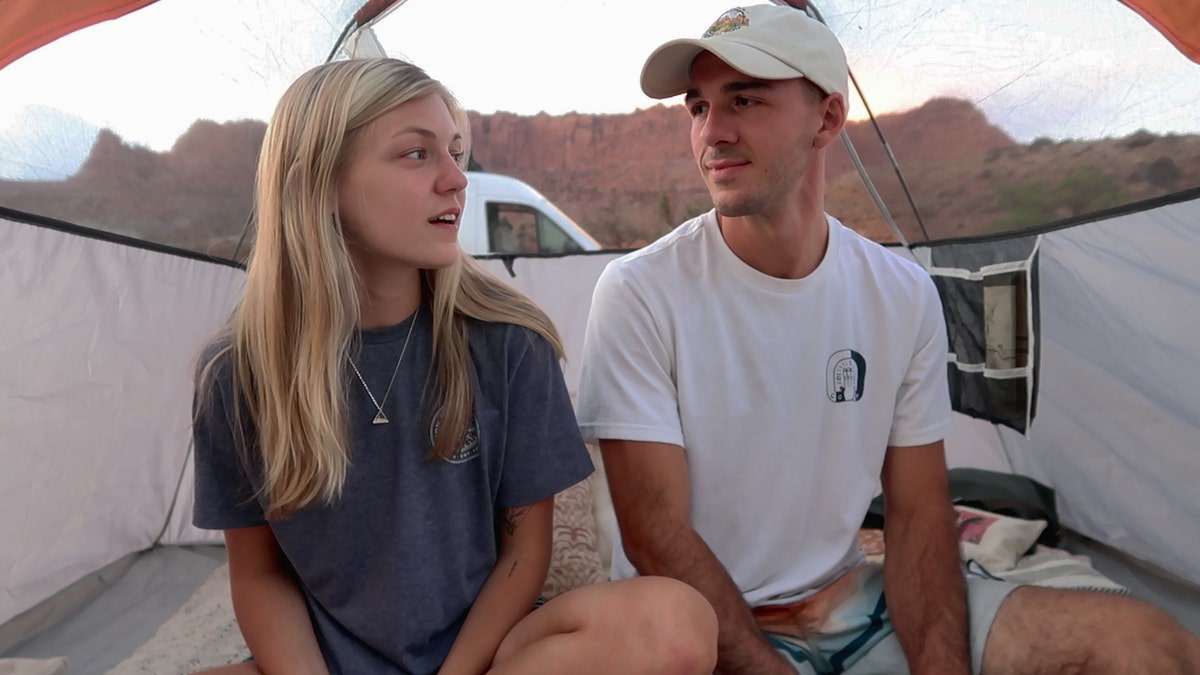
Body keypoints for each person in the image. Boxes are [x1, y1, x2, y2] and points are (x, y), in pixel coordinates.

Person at [576, 5, 1200, 674]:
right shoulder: (641, 291)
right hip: (701, 629)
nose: (713, 132)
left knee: (1148, 646)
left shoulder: (900, 293)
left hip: (850, 602)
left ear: (827, 119)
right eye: (698, 107)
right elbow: (655, 532)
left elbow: (917, 513)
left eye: (745, 100)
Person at [190, 57, 717, 675]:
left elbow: (524, 552)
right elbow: (259, 575)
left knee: (676, 622)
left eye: (456, 152)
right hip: (326, 662)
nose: (456, 179)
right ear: (319, 183)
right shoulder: (238, 374)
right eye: (417, 154)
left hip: (490, 657)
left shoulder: (509, 344)